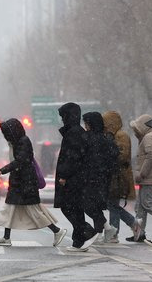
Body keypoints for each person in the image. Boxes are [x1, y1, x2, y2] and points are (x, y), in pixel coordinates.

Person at [0, 118, 67, 247]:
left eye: (7, 133)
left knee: (33, 211)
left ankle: (57, 231)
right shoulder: (17, 142)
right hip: (19, 182)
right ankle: (6, 237)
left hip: (25, 183)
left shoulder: (23, 142)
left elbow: (21, 161)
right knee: (10, 209)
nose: (6, 136)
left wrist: (3, 170)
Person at [54, 103, 96, 252]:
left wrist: (64, 175)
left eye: (63, 116)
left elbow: (72, 157)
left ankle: (85, 231)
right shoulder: (76, 131)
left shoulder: (73, 133)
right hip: (77, 177)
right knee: (75, 208)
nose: (62, 120)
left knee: (68, 206)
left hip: (72, 178)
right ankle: (78, 240)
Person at [102, 111, 141, 243]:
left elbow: (122, 156)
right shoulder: (112, 135)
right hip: (114, 175)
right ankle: (133, 223)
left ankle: (114, 233)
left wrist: (109, 156)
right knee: (111, 204)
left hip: (119, 176)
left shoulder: (121, 136)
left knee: (112, 204)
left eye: (106, 122)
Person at [82, 112, 119, 245]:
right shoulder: (106, 140)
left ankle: (102, 231)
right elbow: (114, 158)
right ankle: (105, 230)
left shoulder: (88, 139)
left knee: (89, 205)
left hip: (91, 178)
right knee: (95, 206)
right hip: (102, 179)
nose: (85, 126)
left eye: (86, 123)